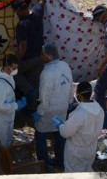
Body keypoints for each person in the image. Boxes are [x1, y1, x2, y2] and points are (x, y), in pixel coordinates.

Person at [33, 42, 73, 170]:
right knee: (59, 134)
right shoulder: (65, 65)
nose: (41, 56)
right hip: (62, 107)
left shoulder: (47, 73)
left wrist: (39, 112)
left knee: (40, 135)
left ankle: (44, 164)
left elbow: (45, 97)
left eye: (42, 54)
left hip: (48, 110)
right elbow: (71, 84)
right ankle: (60, 161)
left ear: (48, 56)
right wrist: (70, 101)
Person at [0, 54, 27, 175]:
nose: (15, 70)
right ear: (6, 66)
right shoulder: (0, 84)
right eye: (13, 68)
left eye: (16, 67)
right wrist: (16, 105)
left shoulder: (5, 76)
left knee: (5, 143)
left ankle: (3, 167)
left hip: (4, 117)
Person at [50, 82, 104, 172]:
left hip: (77, 152)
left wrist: (60, 125)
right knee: (87, 171)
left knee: (73, 174)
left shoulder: (80, 113)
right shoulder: (99, 109)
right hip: (91, 148)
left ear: (79, 95)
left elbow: (65, 133)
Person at [12, 0, 45, 110]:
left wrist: (16, 63)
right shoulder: (36, 13)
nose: (15, 13)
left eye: (15, 11)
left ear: (18, 10)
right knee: (34, 83)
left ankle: (28, 97)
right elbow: (42, 1)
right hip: (40, 57)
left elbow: (23, 47)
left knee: (14, 74)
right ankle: (32, 109)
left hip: (28, 58)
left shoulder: (22, 25)